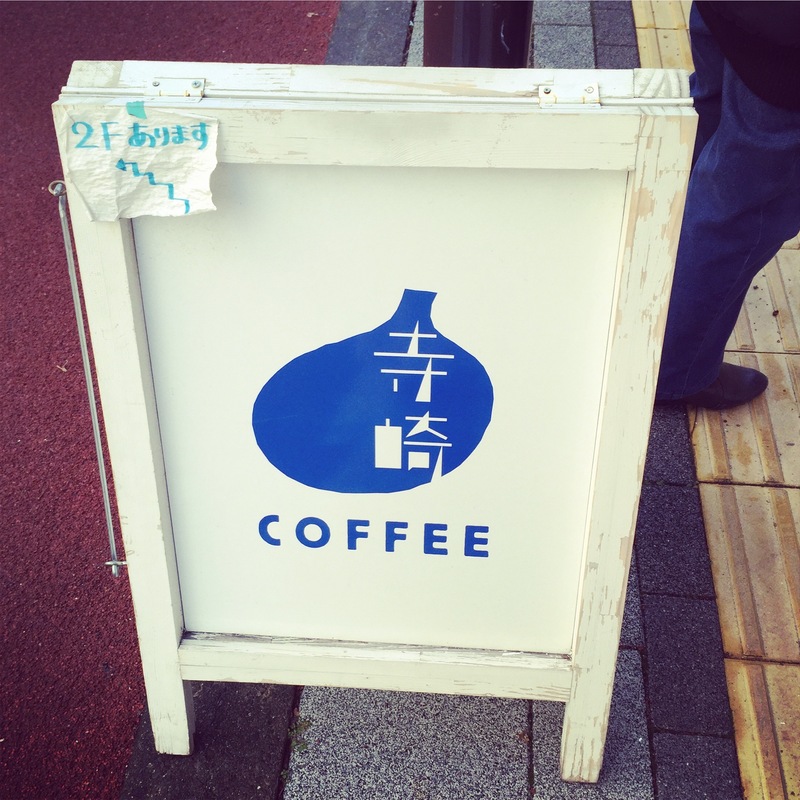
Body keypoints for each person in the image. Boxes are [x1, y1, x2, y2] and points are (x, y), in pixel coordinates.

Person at [655, 1, 800, 409]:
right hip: (788, 46)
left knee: (710, 114)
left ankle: (656, 266)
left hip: (734, 9)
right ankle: (674, 372)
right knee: (746, 209)